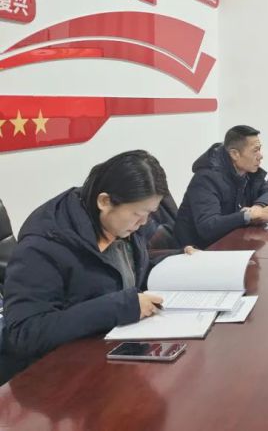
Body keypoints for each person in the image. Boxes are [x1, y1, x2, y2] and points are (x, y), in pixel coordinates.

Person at [1, 150, 183, 361]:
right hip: (61, 368)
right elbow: (24, 333)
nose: (144, 223)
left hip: (112, 350)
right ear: (104, 202)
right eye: (138, 214)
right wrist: (118, 307)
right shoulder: (45, 244)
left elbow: (126, 270)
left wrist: (180, 261)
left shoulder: (120, 226)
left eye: (149, 214)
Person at [174, 125, 268, 249]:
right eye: (255, 150)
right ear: (234, 154)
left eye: (260, 149)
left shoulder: (247, 172)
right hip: (197, 250)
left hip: (229, 242)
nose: (260, 156)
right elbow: (208, 227)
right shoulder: (207, 178)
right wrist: (248, 216)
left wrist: (258, 208)